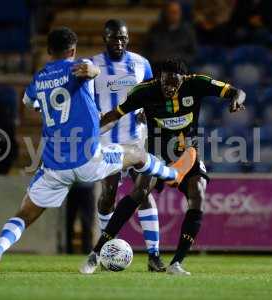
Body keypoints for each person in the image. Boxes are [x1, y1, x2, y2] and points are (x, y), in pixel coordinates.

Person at [0, 27, 193, 276]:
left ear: (48, 50)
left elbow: (28, 102)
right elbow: (92, 70)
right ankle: (174, 175)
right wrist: (92, 72)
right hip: (88, 159)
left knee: (24, 214)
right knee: (138, 154)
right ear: (73, 50)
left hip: (53, 168)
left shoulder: (39, 78)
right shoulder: (81, 66)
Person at [81, 58, 246, 275]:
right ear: (160, 78)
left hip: (187, 153)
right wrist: (89, 135)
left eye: (174, 84)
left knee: (198, 194)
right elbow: (115, 115)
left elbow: (237, 91)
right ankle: (96, 252)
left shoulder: (196, 83)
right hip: (156, 152)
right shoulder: (143, 91)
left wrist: (235, 100)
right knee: (139, 192)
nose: (170, 88)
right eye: (166, 83)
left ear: (182, 79)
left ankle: (176, 263)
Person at [91, 19, 165, 271]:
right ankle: (104, 249)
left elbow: (154, 93)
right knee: (108, 196)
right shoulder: (93, 65)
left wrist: (149, 110)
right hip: (106, 141)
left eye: (123, 38)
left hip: (135, 140)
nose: (119, 42)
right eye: (114, 38)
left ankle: (154, 255)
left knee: (143, 193)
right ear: (105, 38)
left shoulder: (141, 63)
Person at [143, 0, 197, 69]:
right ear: (165, 13)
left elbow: (192, 54)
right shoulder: (155, 29)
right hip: (157, 66)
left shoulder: (188, 31)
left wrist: (178, 60)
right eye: (171, 12)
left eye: (176, 12)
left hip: (179, 67)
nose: (174, 15)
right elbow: (146, 50)